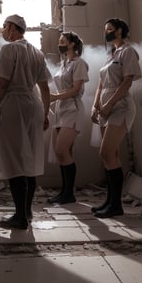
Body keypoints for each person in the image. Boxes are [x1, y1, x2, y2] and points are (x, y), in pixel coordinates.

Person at [0, 14, 51, 230]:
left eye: (5, 27)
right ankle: (28, 211)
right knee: (29, 161)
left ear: (13, 29)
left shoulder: (9, 49)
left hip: (14, 104)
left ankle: (20, 217)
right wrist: (47, 112)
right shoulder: (37, 52)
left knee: (15, 161)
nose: (3, 31)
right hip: (34, 105)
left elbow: (2, 83)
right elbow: (44, 87)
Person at [91, 18, 141, 218]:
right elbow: (101, 84)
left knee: (106, 153)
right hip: (105, 107)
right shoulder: (110, 56)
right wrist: (96, 105)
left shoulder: (128, 51)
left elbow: (127, 81)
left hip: (120, 106)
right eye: (106, 30)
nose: (107, 33)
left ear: (120, 31)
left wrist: (109, 104)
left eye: (110, 29)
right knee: (111, 157)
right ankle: (110, 202)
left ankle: (116, 205)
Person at [48, 31, 89, 205]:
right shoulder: (64, 63)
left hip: (72, 107)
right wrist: (54, 102)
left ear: (72, 44)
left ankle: (69, 194)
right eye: (60, 41)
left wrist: (55, 97)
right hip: (60, 109)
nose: (60, 43)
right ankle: (65, 192)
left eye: (63, 41)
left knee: (61, 150)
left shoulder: (79, 63)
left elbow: (75, 89)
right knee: (62, 153)